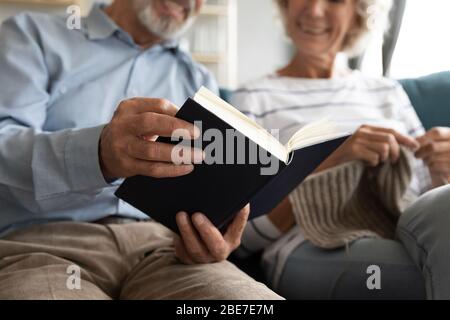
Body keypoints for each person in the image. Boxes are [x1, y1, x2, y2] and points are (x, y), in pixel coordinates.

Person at [0, 0, 282, 300]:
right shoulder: (32, 35)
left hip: (168, 253)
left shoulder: (199, 80)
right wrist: (98, 154)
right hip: (46, 246)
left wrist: (213, 236)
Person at [232, 0, 450, 299]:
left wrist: (443, 170)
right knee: (423, 271)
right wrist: (331, 160)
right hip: (312, 242)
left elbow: (429, 203)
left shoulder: (387, 92)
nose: (315, 10)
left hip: (403, 225)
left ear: (358, 12)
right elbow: (242, 237)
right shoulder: (253, 98)